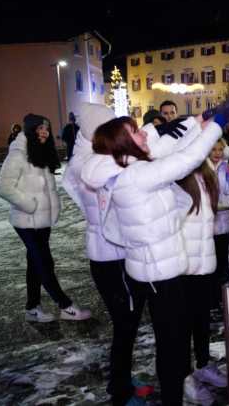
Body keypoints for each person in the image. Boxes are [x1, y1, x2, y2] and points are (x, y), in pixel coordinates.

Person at [81, 102, 229, 405]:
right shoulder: (135, 176)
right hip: (159, 275)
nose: (144, 134)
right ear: (123, 142)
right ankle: (172, 399)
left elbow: (172, 145)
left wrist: (200, 121)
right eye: (135, 132)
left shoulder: (128, 168)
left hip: (157, 269)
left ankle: (175, 393)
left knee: (174, 344)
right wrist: (218, 124)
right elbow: (187, 158)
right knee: (172, 346)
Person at [62, 103, 148, 405]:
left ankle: (122, 377)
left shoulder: (96, 157)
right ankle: (119, 389)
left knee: (130, 320)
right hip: (107, 255)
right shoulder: (87, 164)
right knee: (125, 322)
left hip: (119, 251)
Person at [0, 113, 91, 323]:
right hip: (26, 220)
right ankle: (65, 305)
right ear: (30, 130)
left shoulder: (39, 152)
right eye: (39, 128)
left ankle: (32, 308)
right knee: (44, 262)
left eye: (46, 129)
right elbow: (3, 188)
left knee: (35, 263)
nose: (44, 132)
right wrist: (30, 205)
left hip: (42, 222)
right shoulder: (18, 155)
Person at [175, 151, 227, 404]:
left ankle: (203, 364)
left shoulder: (205, 173)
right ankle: (185, 378)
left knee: (202, 319)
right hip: (182, 267)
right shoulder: (175, 175)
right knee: (182, 326)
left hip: (204, 263)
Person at [209, 139, 229, 301]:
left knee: (225, 259)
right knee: (211, 261)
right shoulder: (202, 168)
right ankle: (211, 297)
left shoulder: (227, 168)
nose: (217, 153)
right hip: (208, 222)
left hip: (224, 221)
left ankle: (223, 297)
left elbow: (228, 192)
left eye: (220, 150)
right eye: (214, 150)